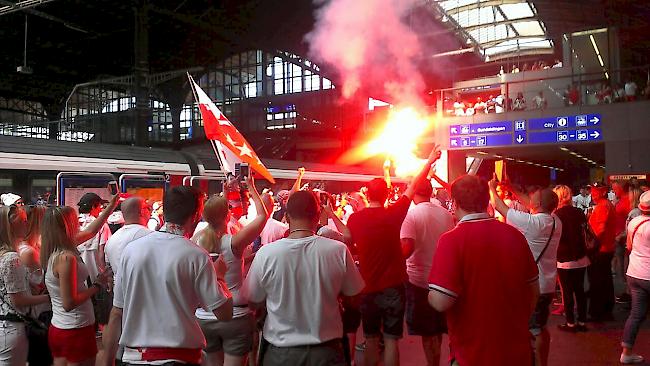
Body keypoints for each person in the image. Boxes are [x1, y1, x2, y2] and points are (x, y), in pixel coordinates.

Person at [101, 186, 233, 366]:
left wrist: (108, 361)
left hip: (134, 358)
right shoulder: (196, 255)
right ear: (196, 214)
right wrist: (220, 278)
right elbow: (224, 313)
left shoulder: (131, 251)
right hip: (179, 359)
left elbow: (117, 312)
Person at [243, 190, 365, 366]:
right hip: (327, 351)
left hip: (280, 353)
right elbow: (354, 297)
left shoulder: (267, 253)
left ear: (286, 216)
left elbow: (253, 300)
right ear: (317, 216)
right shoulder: (338, 251)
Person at [346, 144, 442, 366]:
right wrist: (428, 161)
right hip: (394, 288)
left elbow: (347, 240)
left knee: (370, 339)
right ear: (388, 194)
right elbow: (414, 185)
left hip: (367, 287)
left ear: (366, 194)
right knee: (391, 342)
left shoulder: (355, 219)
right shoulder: (395, 213)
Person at [428, 175, 539, 366]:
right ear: (487, 200)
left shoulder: (451, 240)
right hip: (517, 351)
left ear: (454, 203)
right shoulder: (514, 235)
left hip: (472, 354)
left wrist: (429, 293)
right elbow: (533, 291)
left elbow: (440, 302)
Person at [193, 177, 267, 366]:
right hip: (235, 315)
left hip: (204, 314)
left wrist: (224, 193)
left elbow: (216, 215)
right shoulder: (234, 242)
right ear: (228, 215)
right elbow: (262, 216)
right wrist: (251, 186)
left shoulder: (196, 239)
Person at [489, 178, 561, 366]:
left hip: (532, 286)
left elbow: (498, 205)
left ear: (536, 204)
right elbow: (529, 203)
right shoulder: (555, 221)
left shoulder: (532, 223)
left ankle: (534, 362)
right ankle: (540, 361)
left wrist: (491, 188)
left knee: (532, 329)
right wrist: (510, 188)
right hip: (548, 283)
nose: (528, 199)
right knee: (540, 326)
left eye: (532, 198)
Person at [41, 195, 119, 366]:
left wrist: (110, 206)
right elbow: (69, 303)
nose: (78, 221)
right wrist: (97, 285)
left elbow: (91, 231)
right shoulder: (66, 258)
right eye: (73, 219)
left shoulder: (57, 249)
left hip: (62, 328)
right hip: (75, 330)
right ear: (67, 226)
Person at [400, 179, 453, 366]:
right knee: (440, 328)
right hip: (442, 279)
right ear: (430, 192)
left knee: (428, 331)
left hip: (418, 281)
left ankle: (433, 363)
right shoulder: (446, 215)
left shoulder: (410, 215)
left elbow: (406, 248)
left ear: (413, 191)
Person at [0, 205, 51, 365]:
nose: (27, 224)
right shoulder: (12, 258)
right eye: (23, 220)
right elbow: (19, 300)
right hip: (12, 326)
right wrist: (50, 298)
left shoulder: (7, 254)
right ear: (10, 225)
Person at [553, 185, 589, 332]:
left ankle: (570, 322)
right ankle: (582, 321)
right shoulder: (579, 212)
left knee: (567, 291)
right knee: (580, 290)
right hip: (581, 257)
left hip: (564, 258)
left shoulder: (556, 215)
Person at [620, 191, 650, 364]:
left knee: (636, 314)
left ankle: (626, 352)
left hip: (634, 273)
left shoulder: (634, 222)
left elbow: (629, 246)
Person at [588, 183, 617, 321]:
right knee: (605, 280)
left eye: (596, 191)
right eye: (592, 191)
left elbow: (600, 229)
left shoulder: (602, 206)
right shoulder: (606, 205)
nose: (593, 194)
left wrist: (591, 244)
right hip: (606, 248)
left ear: (604, 192)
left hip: (601, 249)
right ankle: (606, 310)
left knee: (598, 281)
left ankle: (598, 312)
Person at [76, 193, 112, 284]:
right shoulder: (102, 225)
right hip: (95, 275)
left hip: (75, 274)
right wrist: (107, 276)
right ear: (93, 207)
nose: (101, 208)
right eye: (100, 205)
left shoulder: (72, 223)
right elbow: (102, 253)